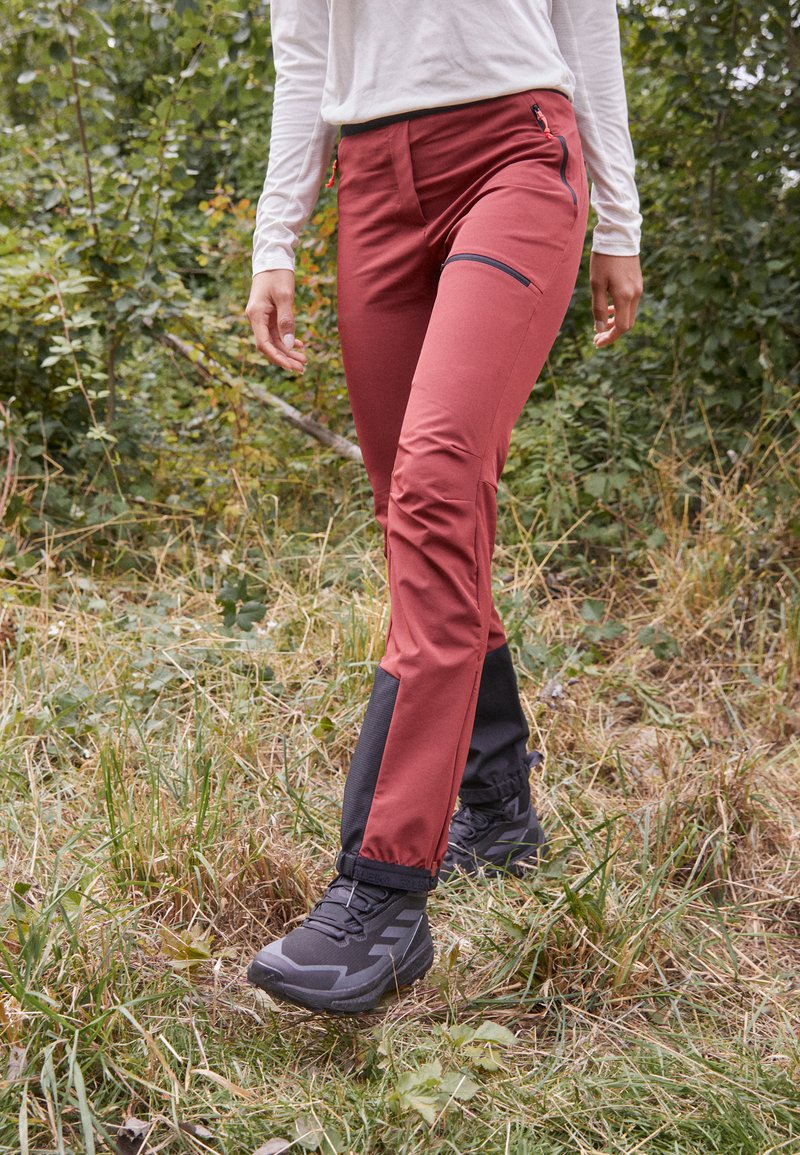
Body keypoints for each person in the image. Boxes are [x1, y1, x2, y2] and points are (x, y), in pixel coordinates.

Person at [245, 0, 643, 1014]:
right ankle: (497, 804)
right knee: (413, 516)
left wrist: (621, 221)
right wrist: (274, 240)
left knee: (433, 487)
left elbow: (585, 24)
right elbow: (303, 52)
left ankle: (381, 892)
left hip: (515, 153)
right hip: (372, 181)